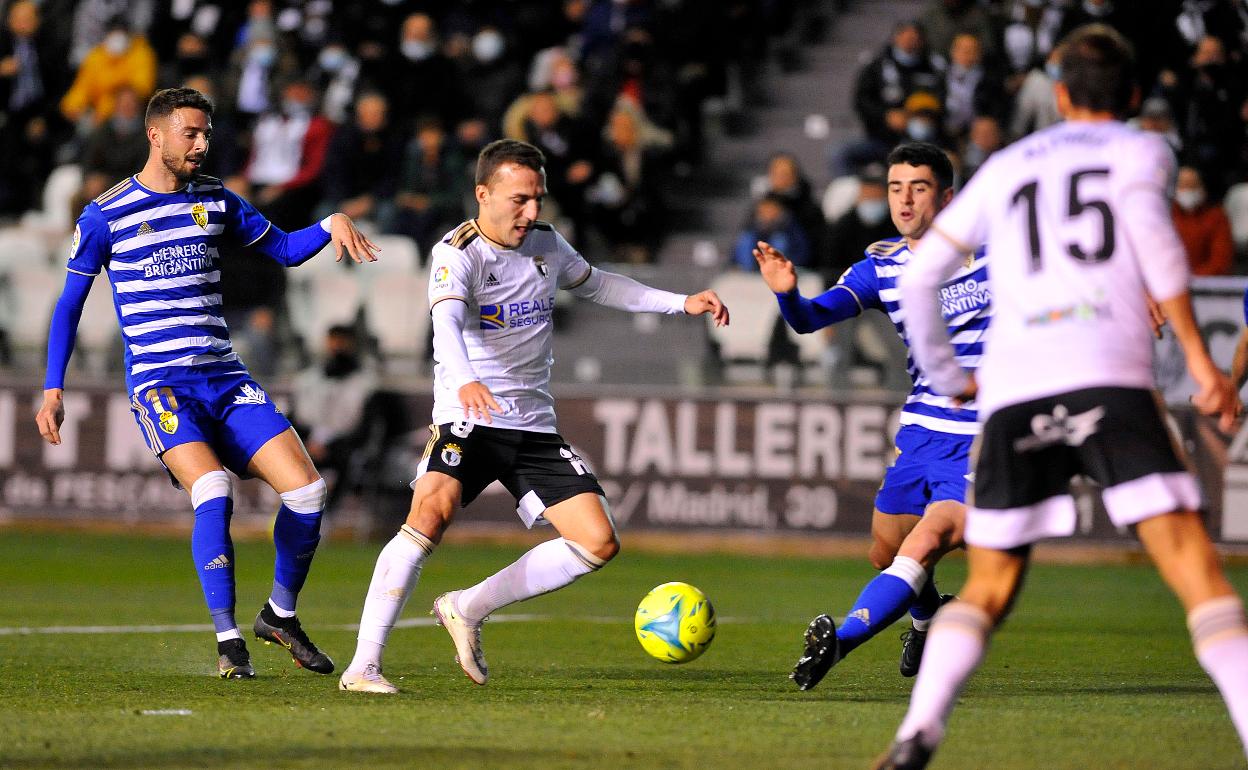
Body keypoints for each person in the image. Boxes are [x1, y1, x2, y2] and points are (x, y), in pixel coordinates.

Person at [878, 26, 1246, 769]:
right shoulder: (1142, 149)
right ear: (1134, 96)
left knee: (987, 585)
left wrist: (948, 377)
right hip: (1107, 378)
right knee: (1195, 570)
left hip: (1016, 393)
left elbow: (919, 280)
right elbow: (1157, 245)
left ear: (1063, 94)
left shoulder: (1008, 165)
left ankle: (918, 731)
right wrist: (1205, 366)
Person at [338, 138, 729, 694]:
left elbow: (596, 283)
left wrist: (679, 302)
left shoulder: (545, 243)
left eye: (537, 199)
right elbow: (445, 324)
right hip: (468, 413)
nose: (532, 212)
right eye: (519, 200)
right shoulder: (457, 253)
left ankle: (468, 607)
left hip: (531, 423)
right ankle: (364, 665)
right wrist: (466, 377)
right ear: (483, 194)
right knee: (430, 511)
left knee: (598, 542)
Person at [35, 87, 380, 680]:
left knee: (307, 492)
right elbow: (69, 304)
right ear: (156, 134)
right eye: (190, 133)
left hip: (225, 378)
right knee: (213, 488)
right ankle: (228, 639)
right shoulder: (104, 214)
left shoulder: (215, 199)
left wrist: (331, 222)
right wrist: (52, 387)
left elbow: (286, 250)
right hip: (162, 386)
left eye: (206, 134)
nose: (201, 144)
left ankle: (279, 615)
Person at [753, 141, 988, 690]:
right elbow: (810, 320)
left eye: (919, 187)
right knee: (886, 551)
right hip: (924, 430)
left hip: (984, 434)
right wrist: (789, 295)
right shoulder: (884, 265)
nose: (904, 200)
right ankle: (929, 622)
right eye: (895, 188)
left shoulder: (999, 251)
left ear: (948, 197)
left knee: (925, 542)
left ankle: (841, 641)